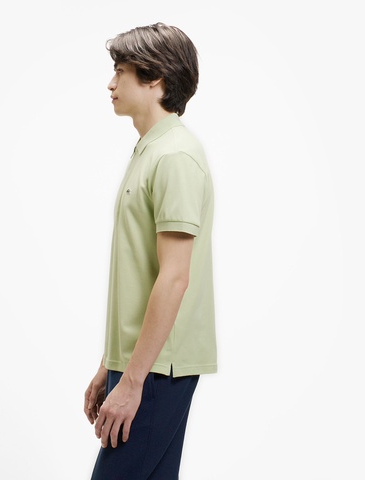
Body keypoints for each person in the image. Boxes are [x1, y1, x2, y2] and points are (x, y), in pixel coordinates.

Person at [84, 22, 217, 480]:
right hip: (143, 363)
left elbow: (174, 276)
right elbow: (140, 272)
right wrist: (110, 364)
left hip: (159, 368)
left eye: (121, 72)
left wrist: (133, 379)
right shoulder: (150, 150)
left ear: (155, 78)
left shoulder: (174, 156)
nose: (111, 84)